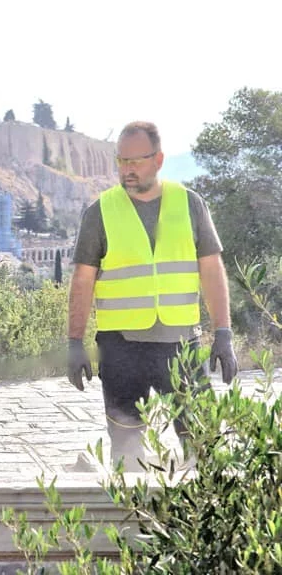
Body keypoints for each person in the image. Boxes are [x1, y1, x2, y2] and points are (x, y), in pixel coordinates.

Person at [66, 121, 238, 470]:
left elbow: (211, 270)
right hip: (120, 350)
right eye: (121, 161)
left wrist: (223, 332)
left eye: (136, 161)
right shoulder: (100, 212)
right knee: (127, 455)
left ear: (158, 159)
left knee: (204, 448)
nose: (127, 169)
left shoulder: (189, 204)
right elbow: (82, 281)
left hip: (181, 346)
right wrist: (74, 342)